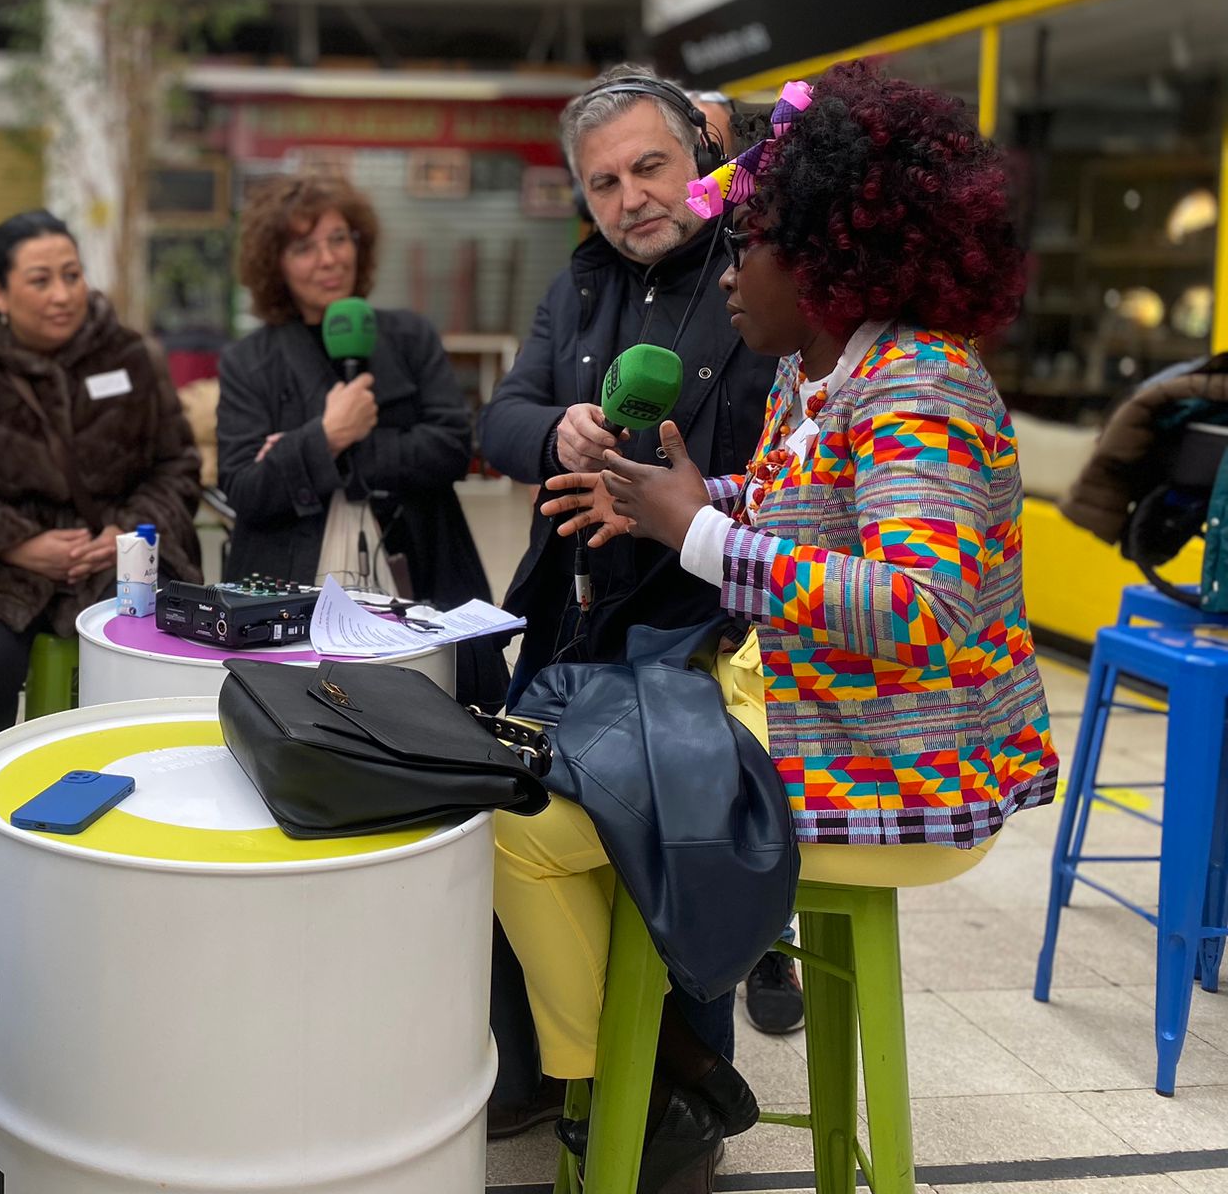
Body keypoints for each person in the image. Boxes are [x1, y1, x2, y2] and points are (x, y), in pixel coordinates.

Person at [510, 62, 1060, 1182]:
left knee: (522, 823)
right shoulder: (816, 375)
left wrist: (696, 536)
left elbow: (925, 603)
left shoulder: (921, 385)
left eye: (749, 242)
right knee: (537, 762)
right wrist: (678, 499)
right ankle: (669, 1075)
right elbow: (796, 512)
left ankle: (636, 1086)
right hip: (798, 717)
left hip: (894, 766)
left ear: (824, 262)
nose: (727, 274)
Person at [477, 67, 779, 1139]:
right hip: (565, 616)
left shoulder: (762, 275)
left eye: (648, 165)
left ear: (697, 156)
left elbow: (785, 474)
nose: (630, 197)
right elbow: (498, 418)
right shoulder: (580, 284)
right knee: (520, 831)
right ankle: (574, 1073)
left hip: (703, 627)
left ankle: (672, 1109)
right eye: (602, 182)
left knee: (668, 849)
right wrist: (552, 428)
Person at [0, 211, 204, 750]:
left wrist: (126, 535)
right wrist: (16, 544)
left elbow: (177, 468)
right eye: (40, 281)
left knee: (148, 655)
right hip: (0, 577)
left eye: (72, 274)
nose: (63, 294)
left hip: (121, 565)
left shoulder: (132, 358)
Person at [215, 171, 506, 705]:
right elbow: (244, 487)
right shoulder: (248, 361)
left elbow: (452, 448)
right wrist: (323, 436)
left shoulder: (409, 336)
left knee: (432, 713)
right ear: (274, 264)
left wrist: (330, 450)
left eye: (338, 239)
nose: (328, 259)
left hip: (417, 567)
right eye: (304, 247)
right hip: (291, 578)